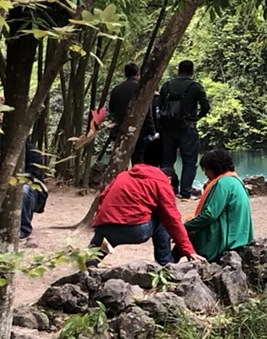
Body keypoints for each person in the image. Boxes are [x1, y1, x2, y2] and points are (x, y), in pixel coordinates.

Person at [88, 158, 198, 265]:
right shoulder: (161, 182)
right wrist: (188, 249)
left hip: (103, 224)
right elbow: (172, 218)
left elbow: (103, 197)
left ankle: (89, 262)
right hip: (134, 230)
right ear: (169, 180)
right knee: (163, 219)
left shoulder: (124, 174)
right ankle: (165, 263)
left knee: (105, 237)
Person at [154, 59, 210, 200]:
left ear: (178, 70)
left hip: (167, 129)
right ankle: (185, 193)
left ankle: (167, 191)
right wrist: (196, 117)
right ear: (192, 71)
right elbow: (206, 107)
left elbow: (158, 106)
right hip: (187, 128)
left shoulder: (167, 85)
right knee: (189, 161)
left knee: (167, 161)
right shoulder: (195, 86)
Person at [186, 146, 254, 258]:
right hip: (239, 238)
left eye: (206, 169)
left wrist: (185, 227)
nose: (205, 174)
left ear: (215, 168)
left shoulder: (223, 183)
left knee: (184, 236)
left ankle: (166, 265)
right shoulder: (235, 180)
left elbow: (209, 215)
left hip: (226, 243)